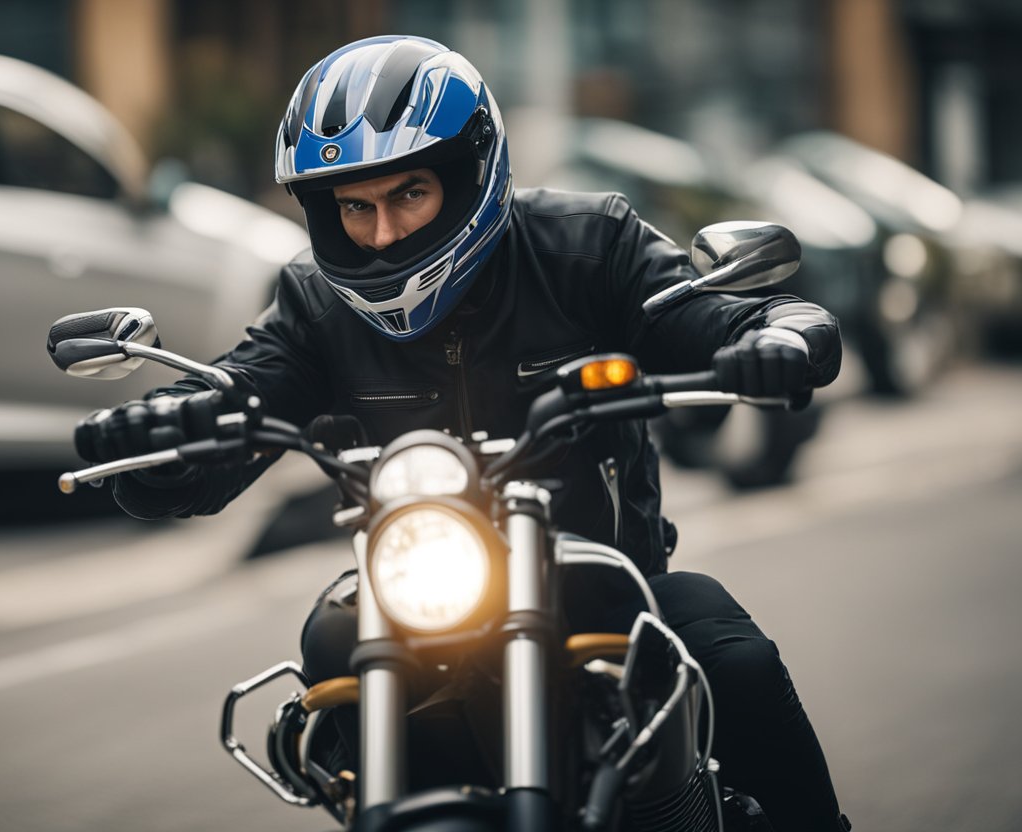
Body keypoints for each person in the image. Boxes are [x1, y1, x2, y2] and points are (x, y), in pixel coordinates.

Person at [75, 36, 849, 831]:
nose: (381, 235)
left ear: (472, 173)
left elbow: (714, 312)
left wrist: (781, 335)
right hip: (421, 599)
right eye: (355, 206)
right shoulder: (317, 305)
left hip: (613, 591)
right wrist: (167, 429)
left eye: (408, 194)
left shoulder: (589, 247)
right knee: (331, 641)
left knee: (734, 658)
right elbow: (246, 384)